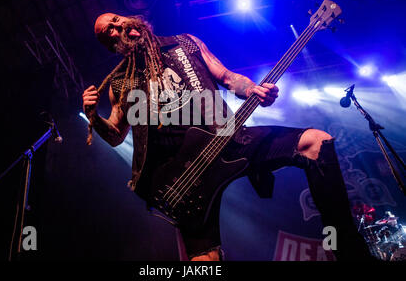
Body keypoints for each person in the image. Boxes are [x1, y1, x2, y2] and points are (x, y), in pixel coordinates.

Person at [82, 13, 373, 261]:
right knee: (205, 260)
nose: (116, 27)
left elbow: (226, 76)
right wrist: (94, 117)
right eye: (108, 31)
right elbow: (117, 135)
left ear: (130, 21)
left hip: (226, 138)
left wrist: (251, 90)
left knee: (316, 142)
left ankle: (350, 252)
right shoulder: (120, 82)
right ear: (112, 45)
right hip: (184, 176)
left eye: (116, 20)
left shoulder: (185, 43)